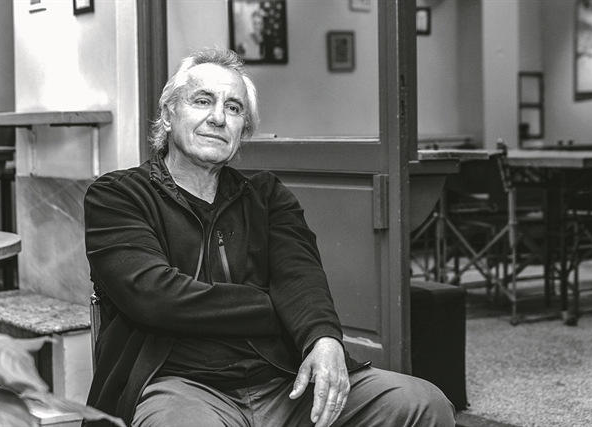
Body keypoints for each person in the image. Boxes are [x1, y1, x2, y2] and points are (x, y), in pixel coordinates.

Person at [83, 47, 455, 427]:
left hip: (283, 380)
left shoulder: (266, 195)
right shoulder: (118, 195)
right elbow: (155, 297)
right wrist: (273, 306)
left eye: (233, 108)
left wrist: (324, 338)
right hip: (180, 384)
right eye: (202, 101)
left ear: (243, 130)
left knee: (423, 403)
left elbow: (300, 277)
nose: (218, 118)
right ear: (168, 114)